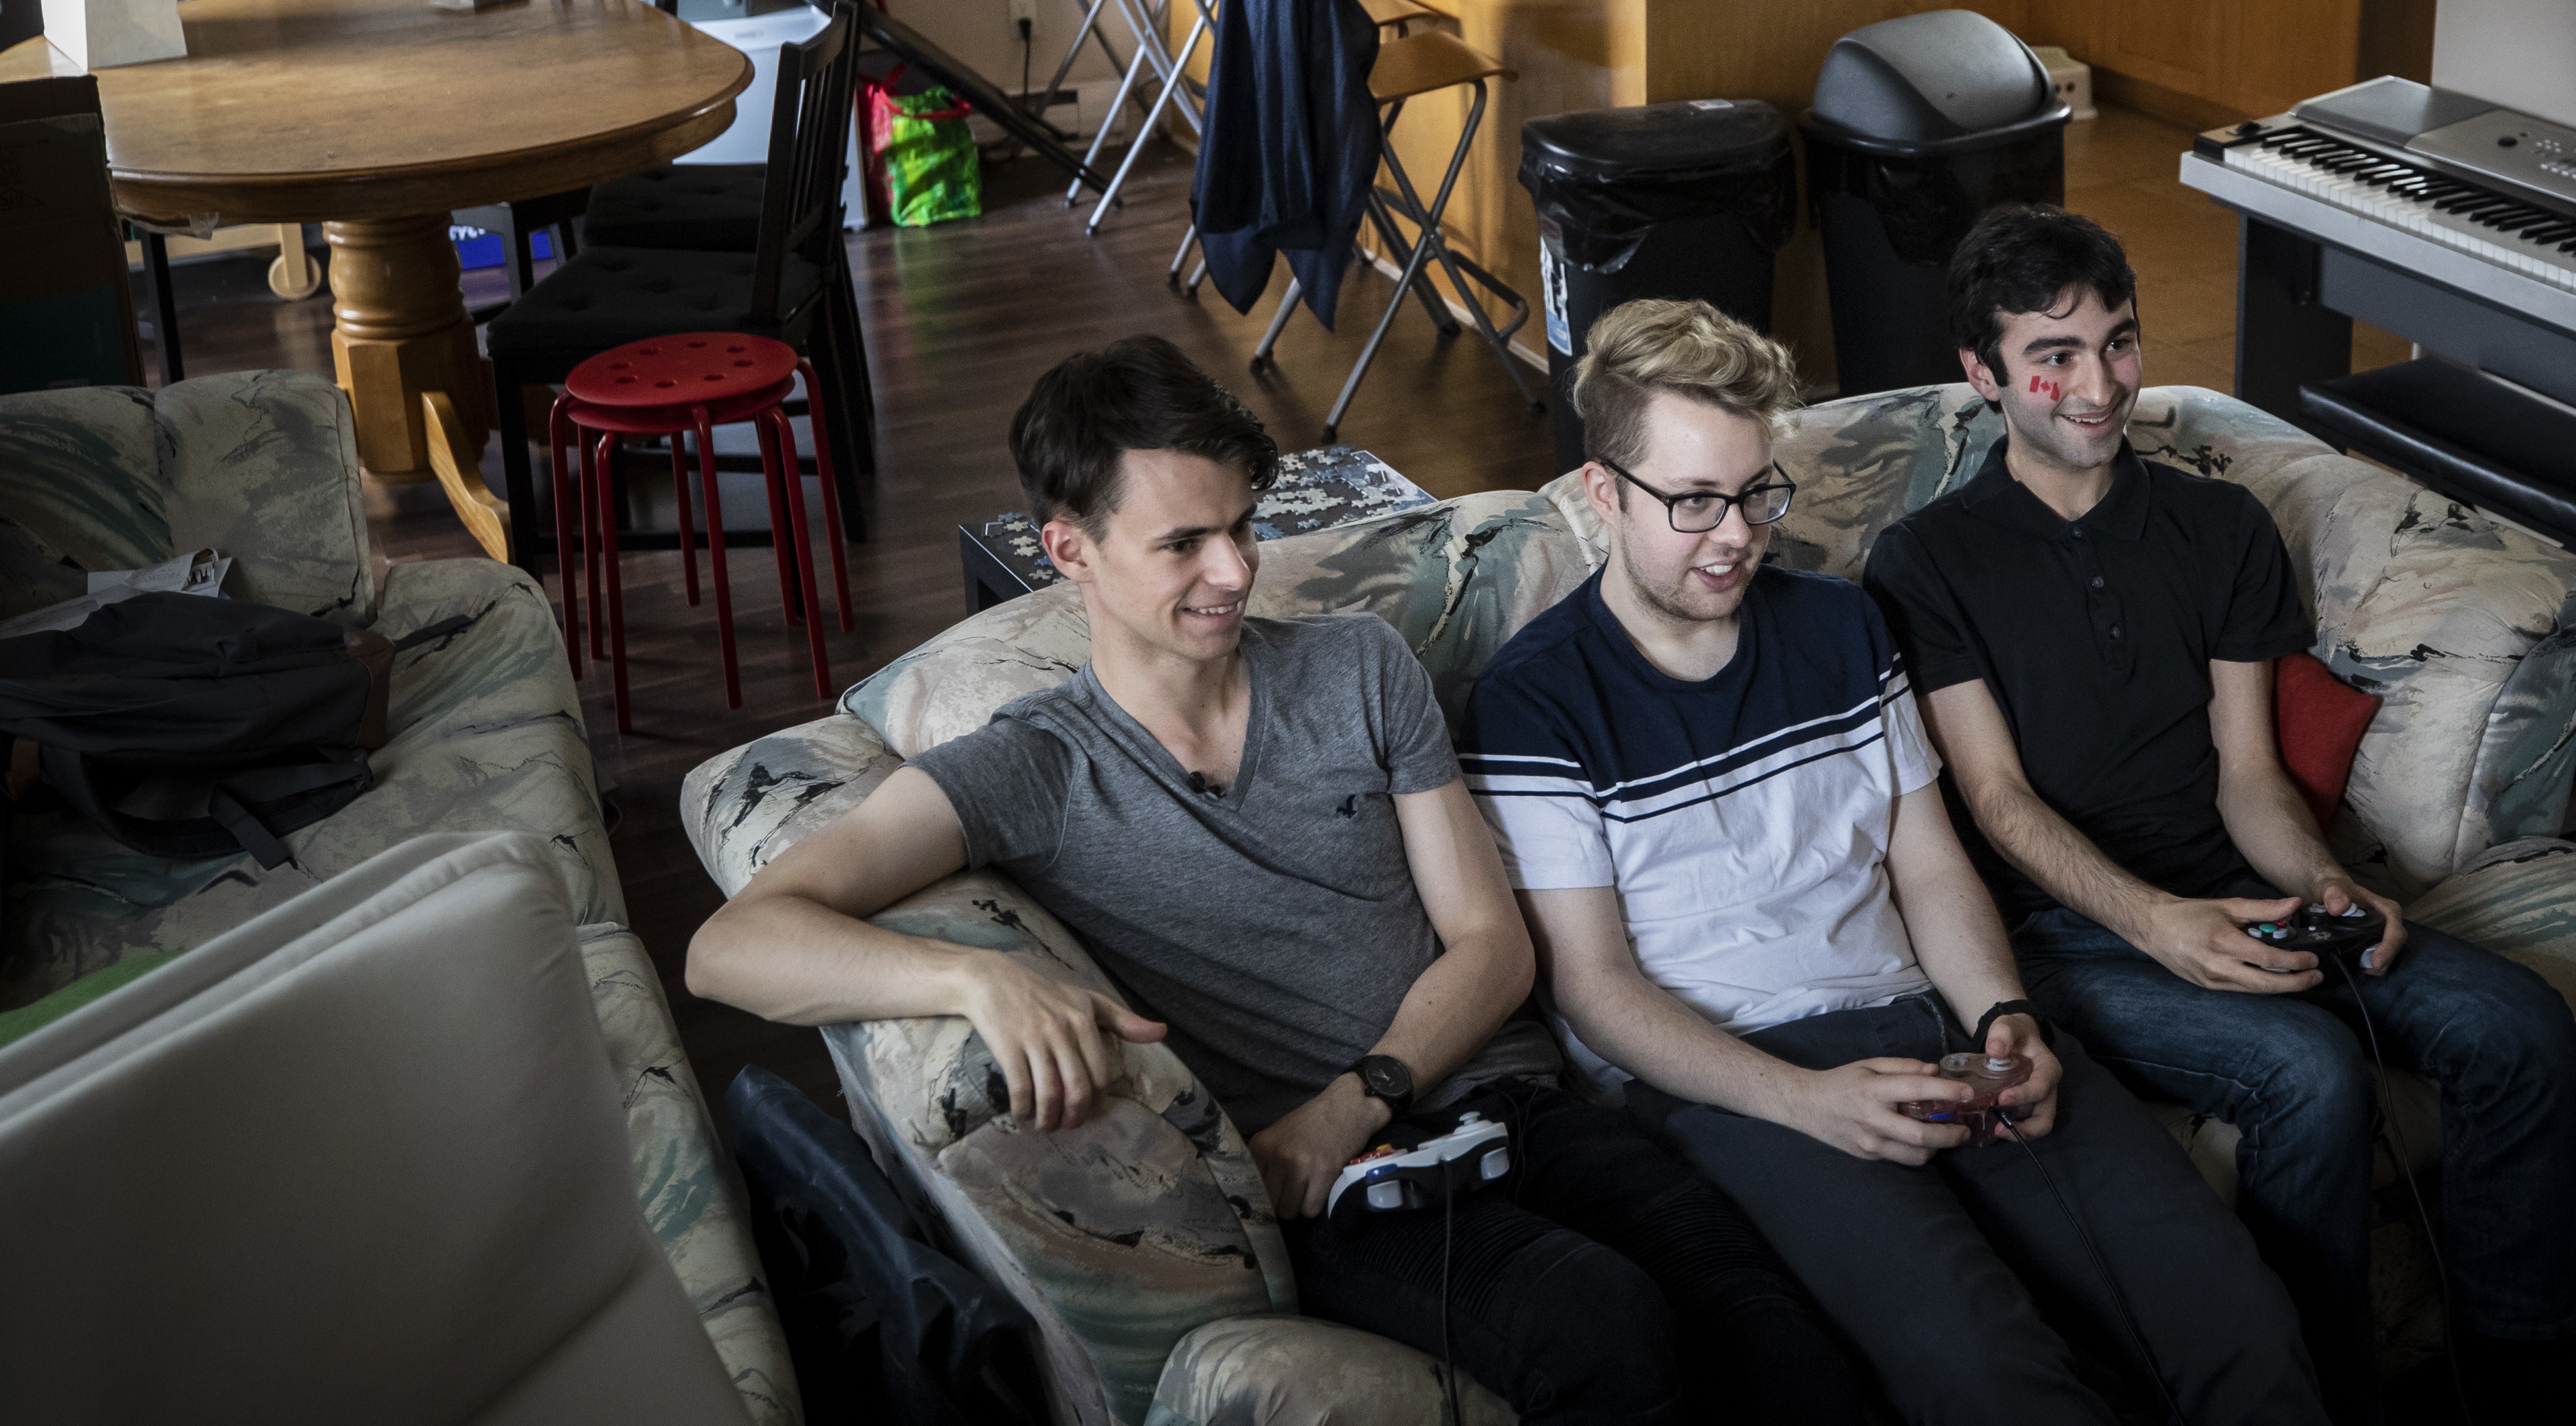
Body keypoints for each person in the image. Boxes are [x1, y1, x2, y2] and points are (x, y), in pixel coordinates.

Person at [688, 336, 1856, 1426]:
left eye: (1243, 526)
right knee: (1598, 1324)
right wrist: (970, 981)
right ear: (1068, 552)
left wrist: (1359, 1092)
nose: (1236, 569)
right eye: (1185, 543)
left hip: (1490, 1102)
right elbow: (730, 946)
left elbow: (1492, 946)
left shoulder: (1358, 665)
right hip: (1345, 1195)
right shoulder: (1034, 766)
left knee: (1769, 1316)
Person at [1462, 298, 2325, 1426]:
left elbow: (1928, 868)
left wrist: (2003, 1014)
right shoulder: (1535, 697)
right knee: (1990, 1373)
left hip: (1930, 1021)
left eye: (1756, 492)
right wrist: (1805, 1102)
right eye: (1692, 502)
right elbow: (1592, 984)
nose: (1734, 534)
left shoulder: (1839, 626)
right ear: (1604, 492)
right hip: (1734, 1077)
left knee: (2234, 1314)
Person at [1860, 205, 2576, 1422]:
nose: (2098, 386)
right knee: (2308, 1074)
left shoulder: (2219, 527)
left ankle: (2520, 1366)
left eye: (2119, 341)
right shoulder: (1927, 561)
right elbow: (1994, 798)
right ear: (1984, 375)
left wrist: (2320, 880)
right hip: (2061, 929)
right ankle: (2319, 1392)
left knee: (2519, 1024)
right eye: (2055, 355)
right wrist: (2158, 923)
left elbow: (2248, 773)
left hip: (2238, 889)